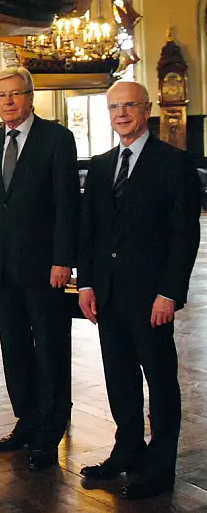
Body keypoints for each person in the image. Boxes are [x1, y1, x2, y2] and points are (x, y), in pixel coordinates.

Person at [77, 81, 201, 500]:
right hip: (108, 293)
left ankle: (159, 467)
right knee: (120, 378)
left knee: (160, 380)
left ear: (146, 109)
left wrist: (170, 292)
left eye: (130, 105)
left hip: (151, 297)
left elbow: (185, 234)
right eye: (115, 107)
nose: (122, 114)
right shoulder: (101, 164)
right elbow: (90, 232)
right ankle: (127, 450)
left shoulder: (174, 163)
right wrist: (88, 283)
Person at [0, 66, 80, 471]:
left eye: (16, 94)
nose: (9, 102)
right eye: (2, 96)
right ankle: (26, 420)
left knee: (50, 346)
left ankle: (51, 430)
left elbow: (68, 205)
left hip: (44, 266)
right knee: (14, 346)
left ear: (30, 97)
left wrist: (63, 259)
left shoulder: (57, 138)